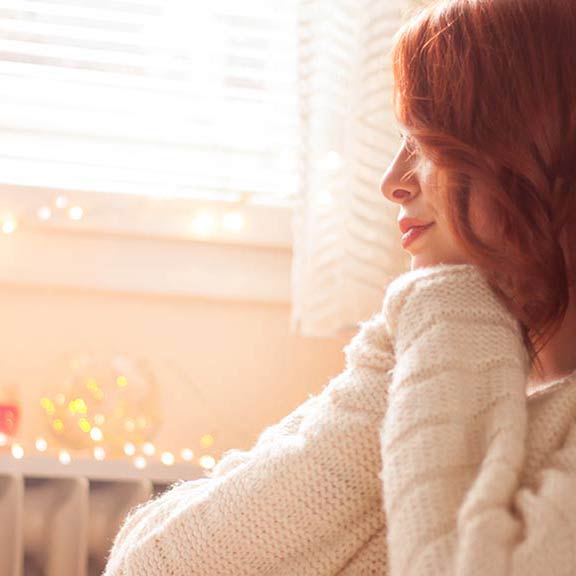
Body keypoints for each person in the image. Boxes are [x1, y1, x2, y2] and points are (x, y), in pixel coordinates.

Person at [103, 0, 576, 574]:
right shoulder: (446, 345)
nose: (390, 183)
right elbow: (151, 563)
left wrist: (447, 309)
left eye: (428, 142)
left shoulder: (451, 329)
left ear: (538, 149)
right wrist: (425, 333)